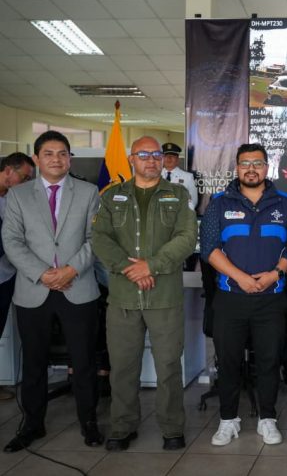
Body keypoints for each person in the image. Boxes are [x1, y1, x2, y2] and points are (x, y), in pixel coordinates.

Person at [92, 136, 197, 452]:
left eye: (155, 155)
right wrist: (129, 268)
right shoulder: (113, 197)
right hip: (123, 298)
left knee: (168, 366)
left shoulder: (177, 195)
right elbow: (100, 239)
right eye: (144, 155)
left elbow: (186, 238)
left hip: (164, 297)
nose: (151, 160)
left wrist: (151, 265)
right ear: (131, 158)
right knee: (123, 366)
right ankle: (122, 427)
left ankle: (171, 428)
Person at [1, 131, 103, 452]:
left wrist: (71, 270)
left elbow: (96, 238)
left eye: (62, 153)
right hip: (34, 290)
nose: (56, 159)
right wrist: (43, 274)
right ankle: (32, 424)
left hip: (79, 286)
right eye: (48, 153)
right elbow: (12, 241)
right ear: (36, 159)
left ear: (69, 158)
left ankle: (89, 421)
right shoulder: (18, 195)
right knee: (33, 362)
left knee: (84, 360)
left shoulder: (88, 192)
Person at [200, 143, 287, 447]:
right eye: (245, 163)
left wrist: (274, 274)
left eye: (257, 163)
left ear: (267, 167)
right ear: (237, 168)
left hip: (272, 297)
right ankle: (228, 420)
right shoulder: (218, 202)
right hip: (230, 297)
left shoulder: (285, 202)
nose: (251, 168)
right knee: (228, 363)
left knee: (268, 361)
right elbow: (209, 248)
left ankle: (268, 419)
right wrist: (240, 278)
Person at [0, 153, 35, 401]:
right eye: (23, 177)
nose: (24, 183)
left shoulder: (11, 199)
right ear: (7, 171)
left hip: (6, 277)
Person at [161, 142, 198, 211]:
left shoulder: (188, 177)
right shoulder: (155, 176)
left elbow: (193, 201)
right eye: (166, 155)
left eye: (172, 156)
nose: (169, 158)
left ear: (178, 159)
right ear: (162, 158)